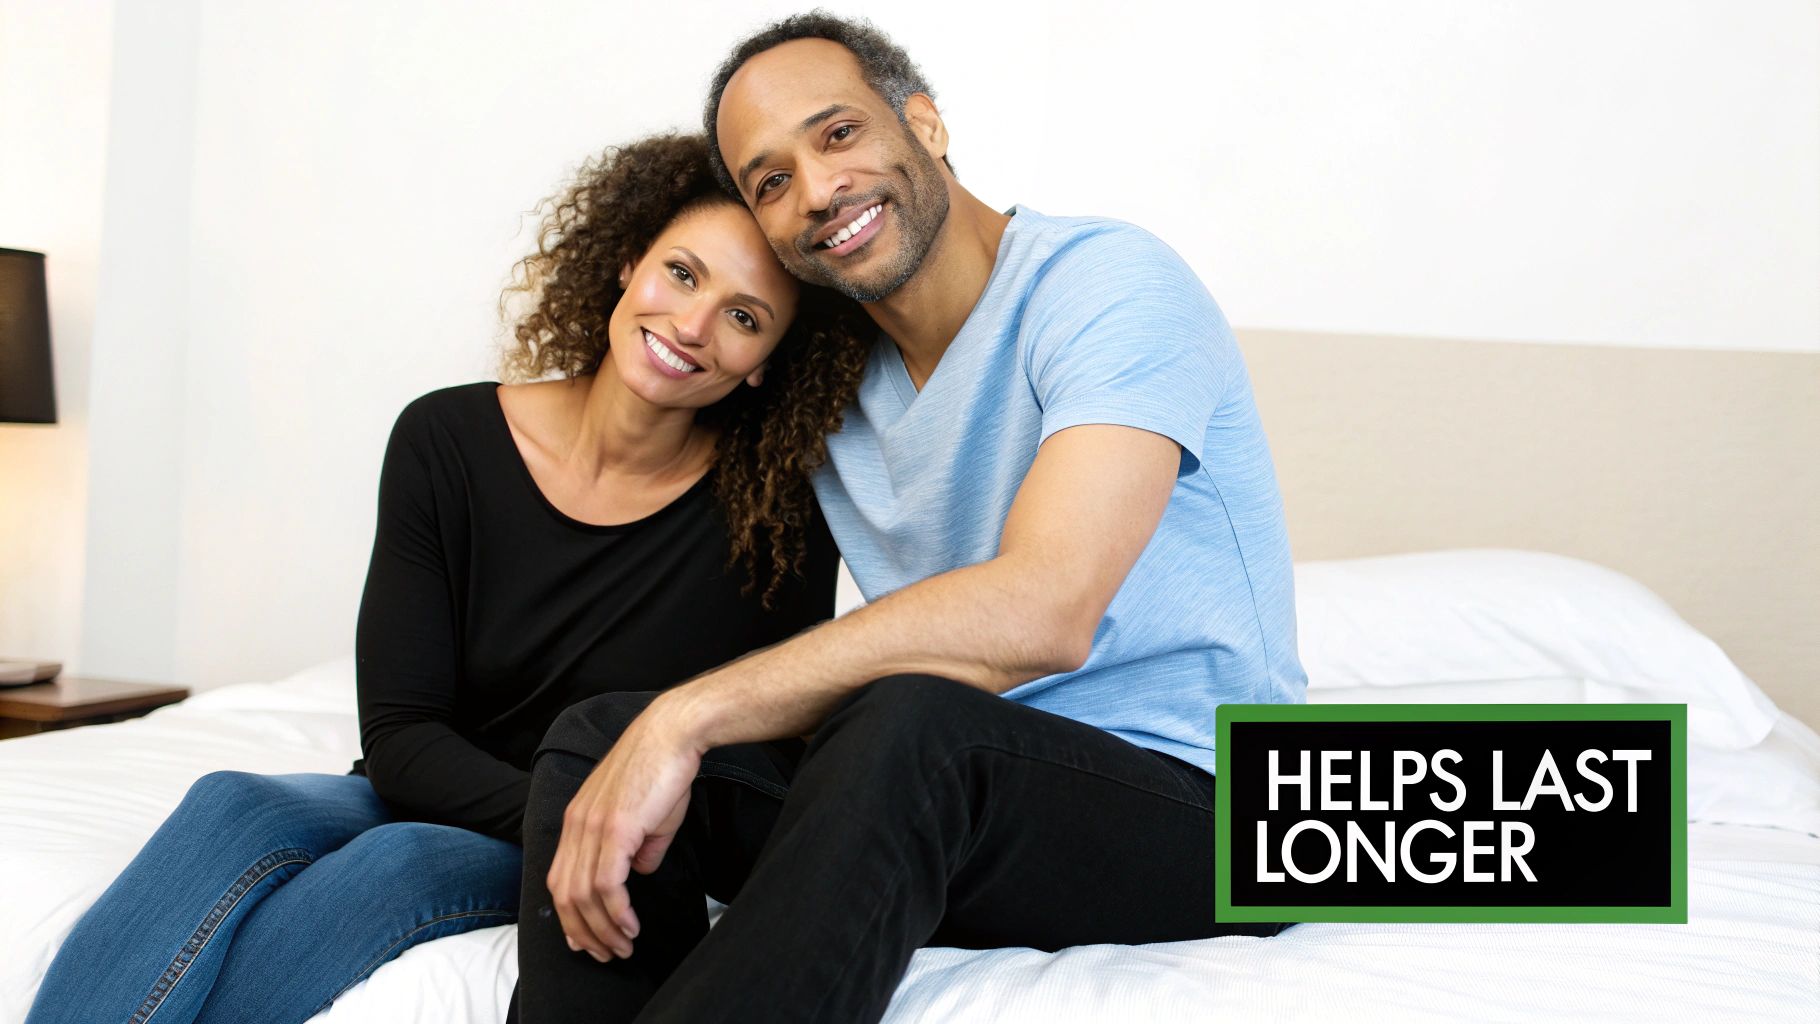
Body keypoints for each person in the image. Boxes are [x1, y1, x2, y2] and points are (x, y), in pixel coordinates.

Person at [513, 11, 1308, 1024]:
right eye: (770, 181)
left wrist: (691, 711)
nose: (816, 190)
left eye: (837, 133)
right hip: (962, 803)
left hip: (1220, 814)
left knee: (908, 720)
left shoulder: (1105, 285)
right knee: (601, 740)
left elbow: (1047, 608)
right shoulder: (824, 382)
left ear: (924, 123)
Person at [25, 132, 868, 1024]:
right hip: (443, 791)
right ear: (630, 262)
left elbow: (765, 746)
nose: (693, 325)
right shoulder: (448, 440)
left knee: (393, 866)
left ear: (766, 361)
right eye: (682, 274)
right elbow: (399, 736)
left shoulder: (775, 517)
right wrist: (559, 809)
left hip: (589, 831)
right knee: (231, 804)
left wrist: (600, 825)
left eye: (745, 318)